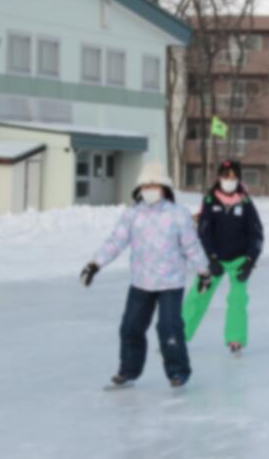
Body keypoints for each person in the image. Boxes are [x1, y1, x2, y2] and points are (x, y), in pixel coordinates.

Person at [79, 162, 210, 389]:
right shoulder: (133, 215)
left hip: (170, 283)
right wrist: (95, 264)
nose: (149, 189)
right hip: (141, 282)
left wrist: (204, 272)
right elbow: (115, 242)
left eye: (154, 184)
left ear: (164, 187)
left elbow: (192, 246)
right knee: (130, 327)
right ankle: (128, 369)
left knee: (169, 328)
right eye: (145, 185)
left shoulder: (178, 214)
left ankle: (178, 371)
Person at [182, 160, 264, 354]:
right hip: (215, 258)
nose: (229, 181)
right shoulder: (210, 201)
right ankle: (178, 335)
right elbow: (204, 232)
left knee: (238, 298)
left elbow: (256, 234)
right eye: (226, 176)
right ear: (219, 178)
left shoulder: (245, 203)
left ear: (239, 179)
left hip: (239, 259)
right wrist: (210, 258)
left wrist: (250, 261)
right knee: (198, 295)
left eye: (234, 177)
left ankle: (235, 339)